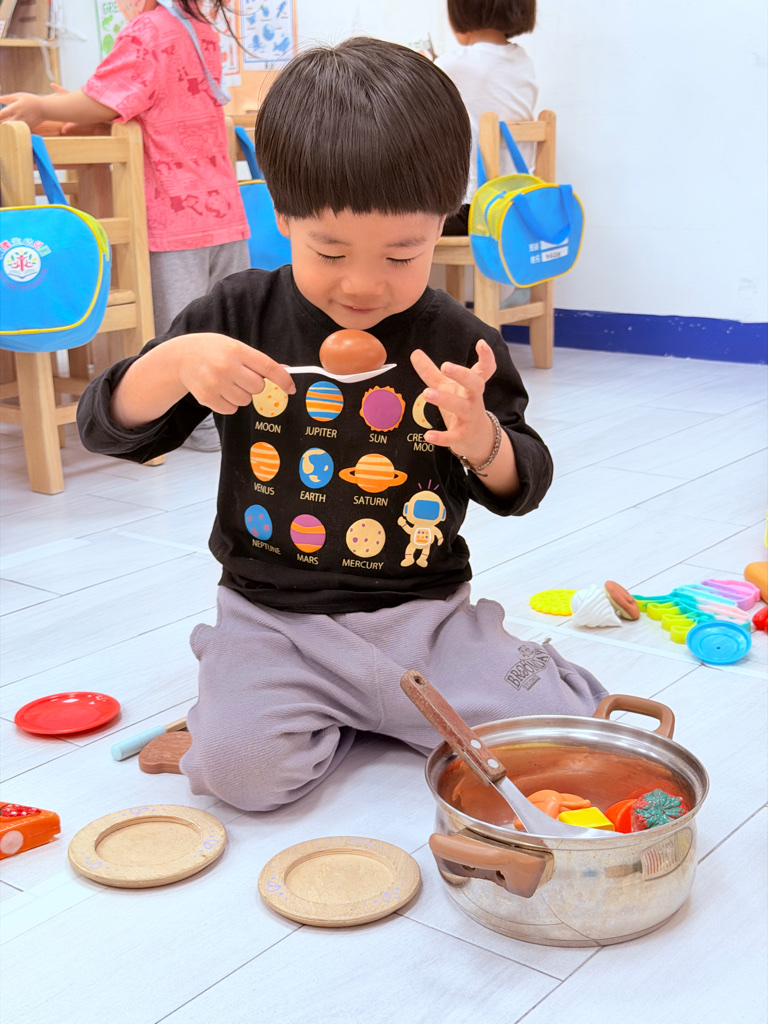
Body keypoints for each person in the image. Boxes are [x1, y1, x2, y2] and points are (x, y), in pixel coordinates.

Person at [75, 37, 605, 812]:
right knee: (241, 774)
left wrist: (482, 441)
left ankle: (391, 702)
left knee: (564, 738)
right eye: (329, 251)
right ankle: (277, 695)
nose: (363, 285)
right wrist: (174, 363)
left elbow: (524, 481)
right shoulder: (236, 316)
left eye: (402, 254)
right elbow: (105, 428)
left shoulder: (458, 341)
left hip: (426, 619)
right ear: (282, 215)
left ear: (443, 222)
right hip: (273, 619)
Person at [0, 0, 249, 452]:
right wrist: (80, 109)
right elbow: (141, 101)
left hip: (175, 214)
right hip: (223, 211)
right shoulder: (202, 31)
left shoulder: (149, 29)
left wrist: (42, 104)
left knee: (180, 332)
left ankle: (198, 427)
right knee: (226, 321)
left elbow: (108, 96)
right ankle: (232, 417)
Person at [436, 0, 538, 237]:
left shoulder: (451, 65)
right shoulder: (523, 61)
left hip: (474, 211)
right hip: (519, 205)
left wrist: (423, 64)